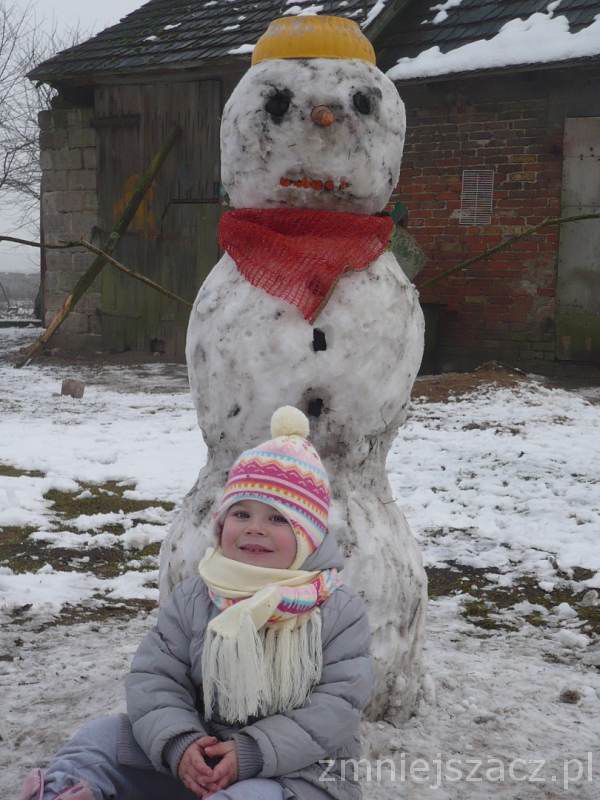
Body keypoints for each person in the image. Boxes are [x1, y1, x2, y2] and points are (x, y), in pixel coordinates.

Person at [18, 406, 374, 800]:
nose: (255, 527)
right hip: (201, 754)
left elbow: (337, 706)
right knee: (100, 738)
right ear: (222, 525)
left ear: (308, 536)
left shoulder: (336, 609)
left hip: (297, 774)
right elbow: (156, 678)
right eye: (242, 513)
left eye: (277, 519)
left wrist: (251, 752)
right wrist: (180, 743)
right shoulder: (196, 596)